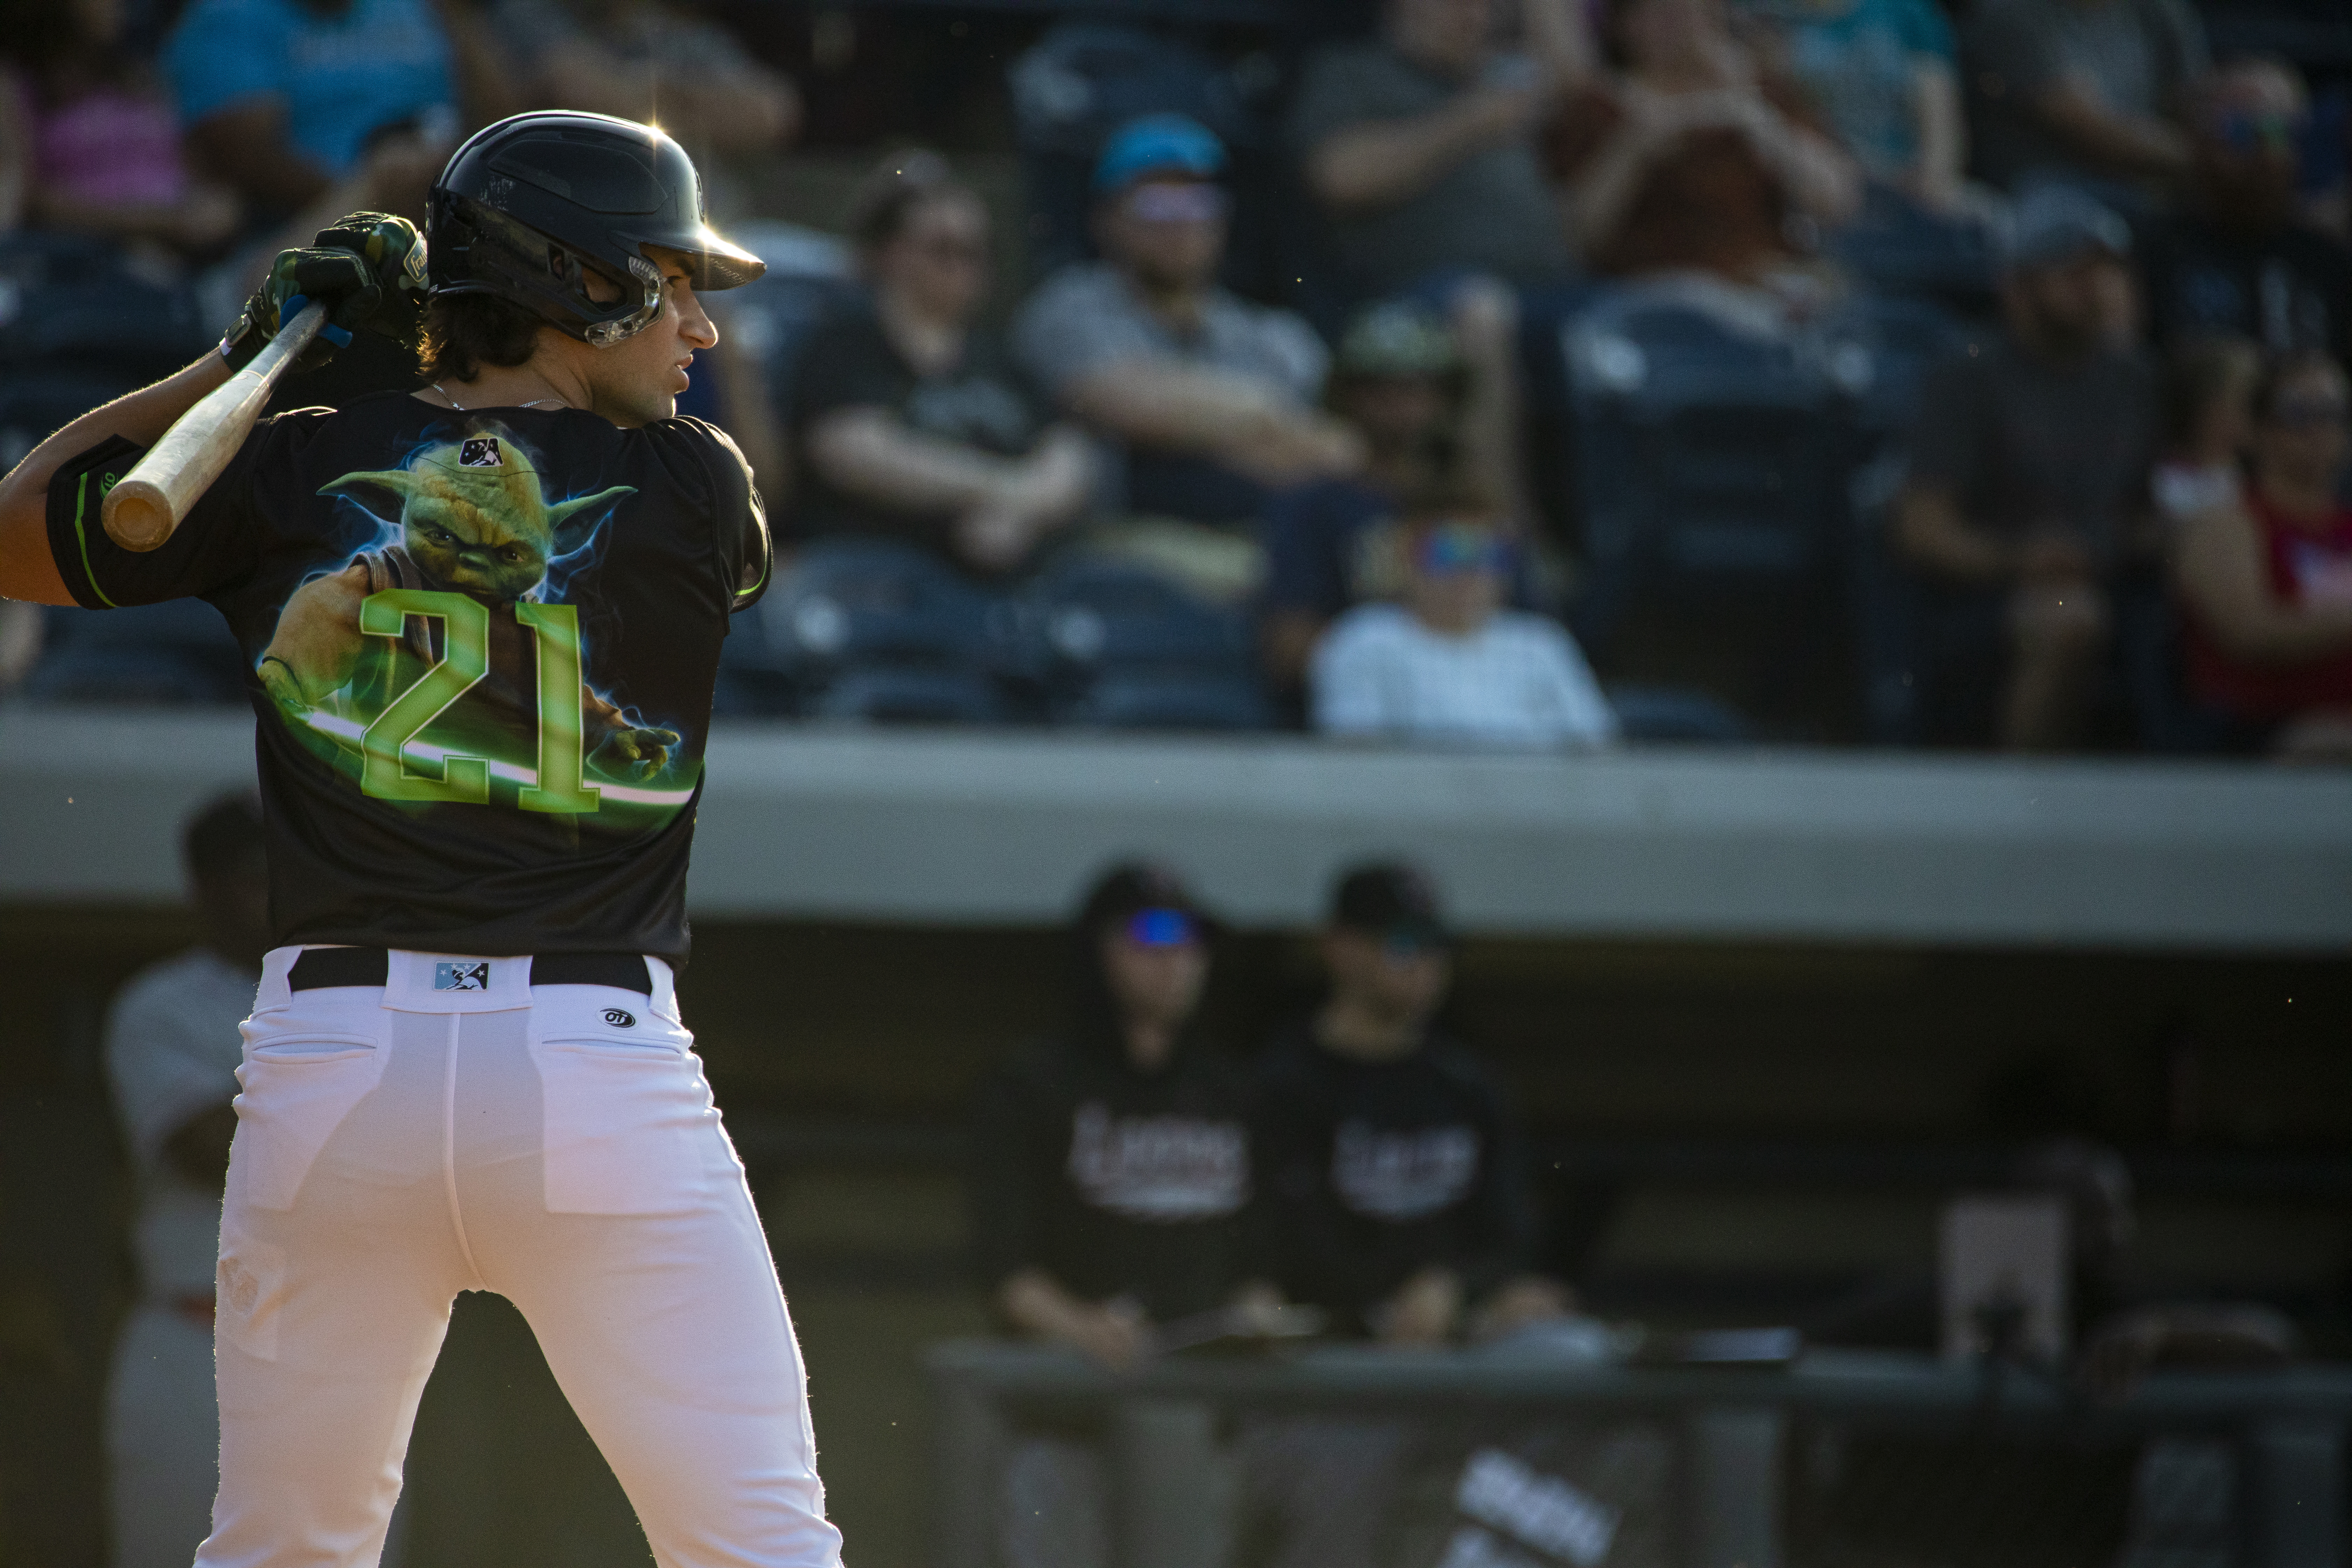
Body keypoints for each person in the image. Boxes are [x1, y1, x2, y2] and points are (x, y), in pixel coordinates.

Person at [0, 111, 842, 1567]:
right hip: (596, 1067)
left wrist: (237, 366)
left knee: (281, 1549)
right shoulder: (696, 487)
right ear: (580, 284)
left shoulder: (288, 460)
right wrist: (416, 377)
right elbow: (619, 471)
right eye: (672, 282)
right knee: (760, 1545)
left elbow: (19, 535)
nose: (701, 325)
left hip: (334, 1073)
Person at [1241, 864, 1568, 1568]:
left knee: (1574, 1358)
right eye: (1402, 944)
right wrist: (1397, 1301)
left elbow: (1510, 1237)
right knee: (1338, 1474)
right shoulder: (1283, 1083)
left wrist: (1460, 1288)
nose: (1424, 965)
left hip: (1460, 1360)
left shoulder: (1465, 1082)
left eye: (1435, 946)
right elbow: (1286, 1247)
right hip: (1338, 1374)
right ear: (1341, 949)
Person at [969, 862, 1271, 1568]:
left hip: (1201, 1426)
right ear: (1097, 949)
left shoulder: (1233, 1090)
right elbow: (1003, 1267)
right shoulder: (1034, 1084)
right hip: (1070, 1417)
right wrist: (1079, 1324)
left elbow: (1262, 1259)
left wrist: (1258, 1307)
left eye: (1193, 938)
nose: (1178, 959)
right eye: (1153, 934)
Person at [1013, 114, 1362, 551]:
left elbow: (1341, 451)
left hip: (1264, 544)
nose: (1180, 223)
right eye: (1157, 204)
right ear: (1106, 220)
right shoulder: (1068, 306)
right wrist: (1266, 419)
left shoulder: (1274, 333)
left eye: (1199, 204)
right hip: (1123, 548)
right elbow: (1122, 402)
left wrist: (1195, 426)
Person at [1893, 186, 2160, 749]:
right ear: (2016, 286)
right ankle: (2029, 812)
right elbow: (1923, 527)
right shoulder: (1968, 375)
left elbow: (2157, 508)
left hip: (2119, 583)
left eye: (2102, 271)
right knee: (2070, 619)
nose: (2093, 289)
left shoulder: (2135, 380)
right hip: (1990, 596)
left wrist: (2126, 542)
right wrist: (2021, 557)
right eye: (2071, 273)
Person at [102, 794, 269, 1568]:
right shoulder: (160, 1005)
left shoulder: (363, 1001)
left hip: (341, 1357)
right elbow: (215, 1148)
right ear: (204, 889)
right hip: (194, 1350)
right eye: (257, 877)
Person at [793, 149, 1093, 573]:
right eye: (943, 248)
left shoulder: (1001, 357)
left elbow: (1068, 452)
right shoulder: (846, 344)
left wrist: (1018, 513)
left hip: (1011, 577)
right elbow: (851, 451)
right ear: (890, 252)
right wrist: (1003, 493)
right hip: (879, 574)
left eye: (975, 252)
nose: (961, 267)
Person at [1259, 301, 1535, 700]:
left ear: (1446, 398)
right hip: (1364, 713)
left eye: (1418, 388)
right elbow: (1289, 649)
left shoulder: (1477, 506)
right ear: (1346, 397)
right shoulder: (1310, 507)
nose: (1401, 406)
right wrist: (1400, 648)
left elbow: (1528, 636)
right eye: (1379, 390)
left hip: (1486, 705)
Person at [1548, 0, 1861, 297]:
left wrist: (1757, 121)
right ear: (1623, 25)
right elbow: (1580, 237)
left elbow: (1836, 202)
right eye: (1655, 12)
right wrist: (1633, 149)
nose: (1678, 23)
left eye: (1688, 9)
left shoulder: (1759, 90)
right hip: (1654, 297)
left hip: (1765, 286)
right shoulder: (1598, 106)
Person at [1286, 0, 1590, 300]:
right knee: (1482, 308)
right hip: (1420, 296)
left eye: (1486, 5)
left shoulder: (1498, 79)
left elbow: (1578, 87)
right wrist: (1470, 121)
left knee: (1629, 313)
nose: (1479, 16)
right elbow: (1339, 177)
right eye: (1461, 5)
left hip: (1550, 284)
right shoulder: (1351, 72)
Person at [164, 0, 509, 224]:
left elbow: (503, 120)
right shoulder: (230, 18)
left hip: (448, 206)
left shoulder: (417, 8)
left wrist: (459, 20)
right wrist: (381, 197)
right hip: (299, 232)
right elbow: (246, 160)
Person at [1311, 504, 1618, 749]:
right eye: (1447, 554)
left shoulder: (1540, 643)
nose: (1468, 573)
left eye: (1488, 556)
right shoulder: (1363, 638)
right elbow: (1355, 752)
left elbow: (1595, 746)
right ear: (1407, 563)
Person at [2172, 350, 2352, 759]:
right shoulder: (2224, 526)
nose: (2319, 428)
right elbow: (2251, 633)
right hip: (2259, 729)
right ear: (2255, 428)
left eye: (2332, 412)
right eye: (2299, 413)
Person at [2135, 59, 2352, 369]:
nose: (2264, 151)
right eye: (2241, 132)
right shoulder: (2151, 250)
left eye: (2277, 131)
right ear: (2197, 140)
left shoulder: (2327, 262)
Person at [0, 0, 242, 259]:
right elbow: (27, 198)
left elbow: (197, 170)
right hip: (88, 253)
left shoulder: (136, 75)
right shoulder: (17, 86)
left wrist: (220, 206)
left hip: (193, 247)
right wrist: (160, 223)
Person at [1961, 0, 2208, 202]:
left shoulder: (2160, 11)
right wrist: (2213, 159)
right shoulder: (2008, 13)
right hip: (2044, 198)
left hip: (2148, 193)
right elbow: (2095, 134)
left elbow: (2200, 104)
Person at [488, 0, 800, 155]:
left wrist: (651, 90)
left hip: (713, 229)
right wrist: (698, 104)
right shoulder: (530, 16)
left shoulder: (681, 33)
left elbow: (774, 114)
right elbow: (575, 91)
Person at [1746, 0, 1967, 212]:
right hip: (1817, 189)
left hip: (1908, 191)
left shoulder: (1906, 10)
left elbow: (1941, 127)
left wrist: (1932, 191)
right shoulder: (1763, 13)